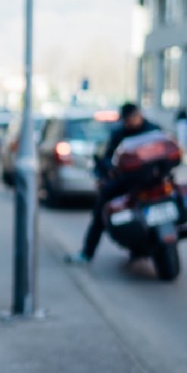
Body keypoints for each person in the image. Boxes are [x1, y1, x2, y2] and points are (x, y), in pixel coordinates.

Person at [67, 102, 160, 264]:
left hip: (151, 181)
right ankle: (87, 253)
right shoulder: (119, 134)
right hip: (125, 181)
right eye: (128, 119)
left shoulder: (153, 131)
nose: (131, 122)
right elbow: (107, 158)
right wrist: (109, 170)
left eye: (133, 117)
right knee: (101, 212)